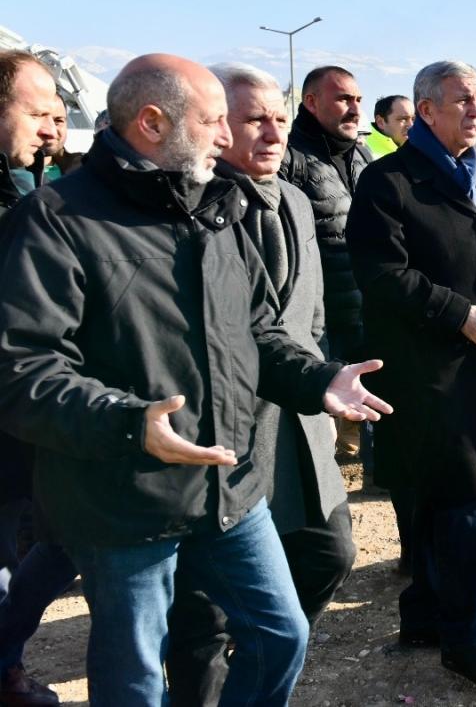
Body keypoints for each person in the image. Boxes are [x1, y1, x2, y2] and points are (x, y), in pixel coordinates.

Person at [0, 54, 391, 705]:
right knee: (134, 678)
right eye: (213, 120)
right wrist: (130, 423)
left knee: (281, 633)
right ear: (152, 122)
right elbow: (23, 369)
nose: (224, 135)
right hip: (122, 497)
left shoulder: (218, 209)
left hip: (229, 486)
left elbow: (260, 331)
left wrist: (317, 379)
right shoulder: (54, 219)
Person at [164, 63, 358, 705]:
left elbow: (311, 310)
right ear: (219, 127)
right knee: (201, 616)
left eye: (278, 117)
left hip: (301, 419)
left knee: (331, 553)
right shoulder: (191, 208)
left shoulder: (298, 200)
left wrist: (325, 383)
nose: (272, 132)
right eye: (253, 119)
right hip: (225, 433)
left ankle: (264, 651)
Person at [347, 60, 476, 686]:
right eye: (464, 101)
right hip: (426, 374)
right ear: (426, 111)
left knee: (438, 498)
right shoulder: (389, 183)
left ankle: (424, 612)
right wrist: (457, 314)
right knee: (466, 502)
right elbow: (381, 274)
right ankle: (465, 634)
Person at [0, 50, 66, 707]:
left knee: (51, 540)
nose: (52, 128)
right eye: (36, 112)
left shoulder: (30, 187)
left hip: (23, 418)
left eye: (57, 114)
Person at [279, 65, 374, 475]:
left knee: (372, 392)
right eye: (343, 99)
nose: (354, 109)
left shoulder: (363, 154)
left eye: (357, 100)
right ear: (311, 102)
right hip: (316, 313)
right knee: (320, 409)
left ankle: (378, 474)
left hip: (365, 301)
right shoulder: (288, 158)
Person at [366, 94, 413, 159]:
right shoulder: (362, 149)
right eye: (403, 119)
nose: (411, 125)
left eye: (414, 119)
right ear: (380, 122)